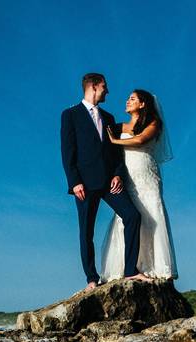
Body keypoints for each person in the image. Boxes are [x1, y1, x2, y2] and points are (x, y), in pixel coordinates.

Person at [60, 73, 151, 293]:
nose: (107, 91)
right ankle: (92, 278)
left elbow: (116, 154)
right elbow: (67, 151)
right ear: (93, 86)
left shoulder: (109, 118)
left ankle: (131, 269)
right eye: (104, 87)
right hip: (84, 184)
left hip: (110, 182)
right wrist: (74, 182)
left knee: (132, 216)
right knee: (86, 231)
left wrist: (118, 174)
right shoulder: (70, 115)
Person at [101, 89, 178, 282]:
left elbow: (141, 139)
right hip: (128, 177)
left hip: (147, 176)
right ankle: (125, 267)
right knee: (128, 217)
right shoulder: (119, 126)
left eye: (132, 99)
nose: (127, 101)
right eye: (127, 98)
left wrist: (114, 141)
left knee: (151, 214)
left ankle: (155, 266)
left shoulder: (154, 123)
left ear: (142, 104)